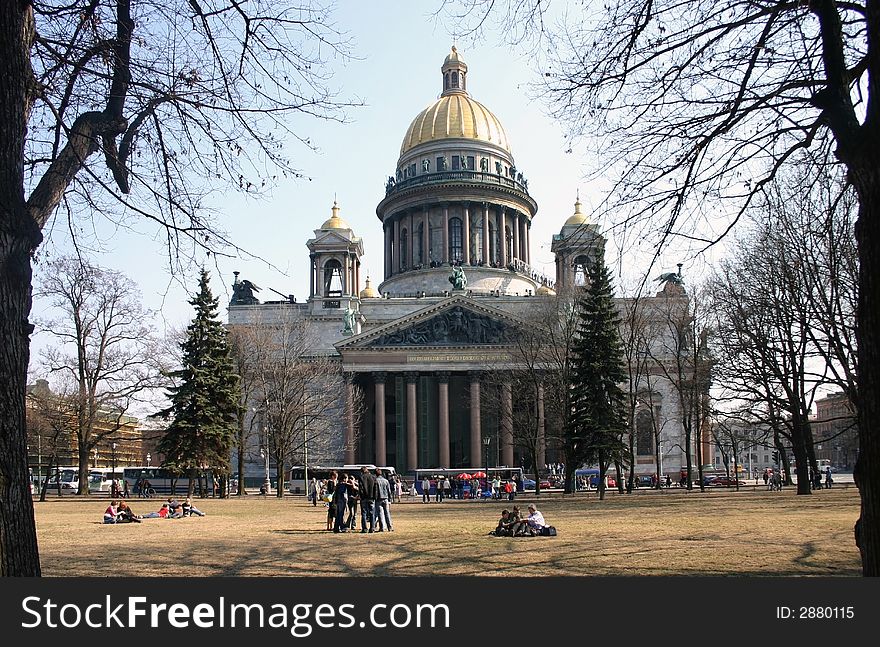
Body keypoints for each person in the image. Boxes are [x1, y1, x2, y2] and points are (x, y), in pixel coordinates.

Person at [358, 466, 377, 533]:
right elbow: (375, 488)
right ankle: (372, 528)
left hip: (364, 498)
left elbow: (361, 488)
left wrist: (362, 496)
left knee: (364, 513)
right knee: (372, 513)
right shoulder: (373, 477)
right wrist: (375, 497)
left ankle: (364, 528)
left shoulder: (361, 477)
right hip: (371, 498)